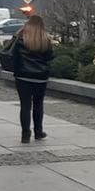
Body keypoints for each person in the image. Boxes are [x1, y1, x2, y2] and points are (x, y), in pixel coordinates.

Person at [11, 15, 54, 144]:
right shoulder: (45, 39)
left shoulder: (20, 38)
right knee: (38, 104)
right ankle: (38, 131)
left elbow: (13, 56)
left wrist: (16, 70)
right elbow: (50, 57)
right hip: (40, 77)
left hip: (23, 76)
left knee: (25, 105)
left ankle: (25, 134)